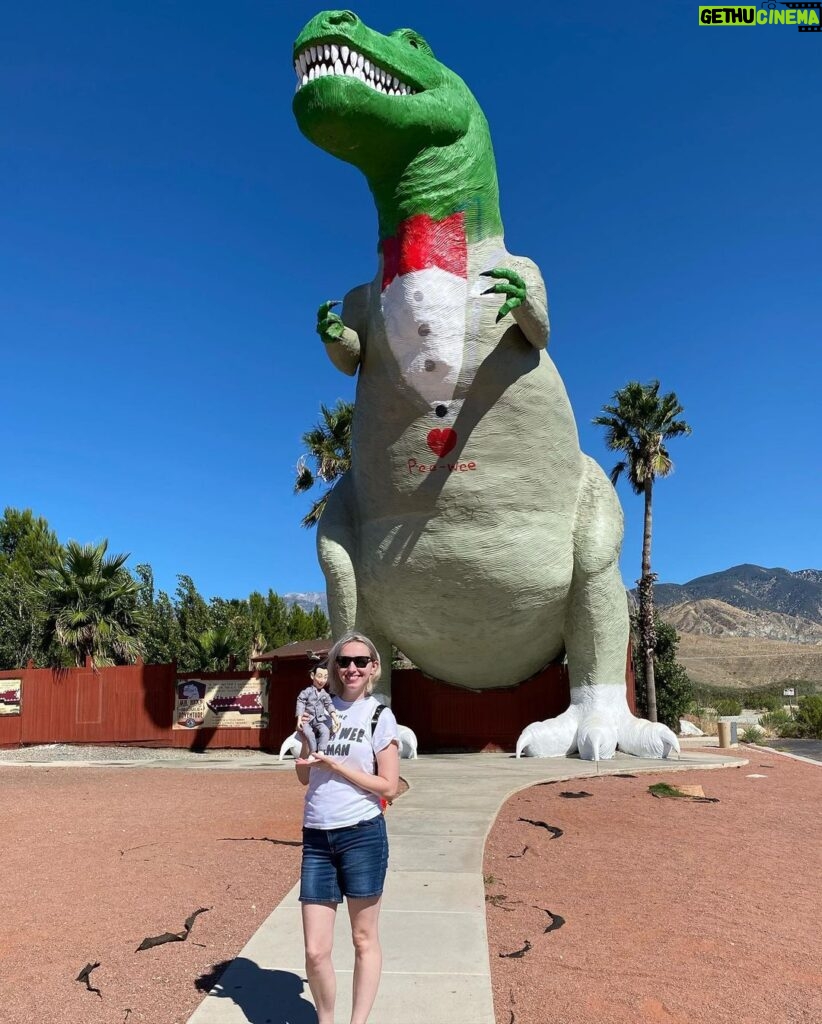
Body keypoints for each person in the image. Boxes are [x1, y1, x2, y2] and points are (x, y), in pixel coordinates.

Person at [295, 632, 400, 1024]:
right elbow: (303, 778)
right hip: (317, 835)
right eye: (343, 661)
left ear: (373, 667)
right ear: (334, 666)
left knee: (362, 938)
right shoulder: (319, 710)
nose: (351, 668)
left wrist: (338, 766)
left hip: (361, 834)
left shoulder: (378, 715)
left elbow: (389, 786)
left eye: (360, 661)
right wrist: (306, 742)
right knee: (315, 950)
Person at [295, 662, 340, 761]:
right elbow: (301, 702)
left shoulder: (325, 694)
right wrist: (299, 719)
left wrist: (335, 718)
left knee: (325, 731)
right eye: (319, 676)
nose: (322, 680)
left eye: (325, 677)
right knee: (309, 733)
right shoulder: (307, 691)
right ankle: (313, 752)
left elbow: (329, 705)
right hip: (307, 719)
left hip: (319, 720)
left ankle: (321, 751)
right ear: (312, 676)